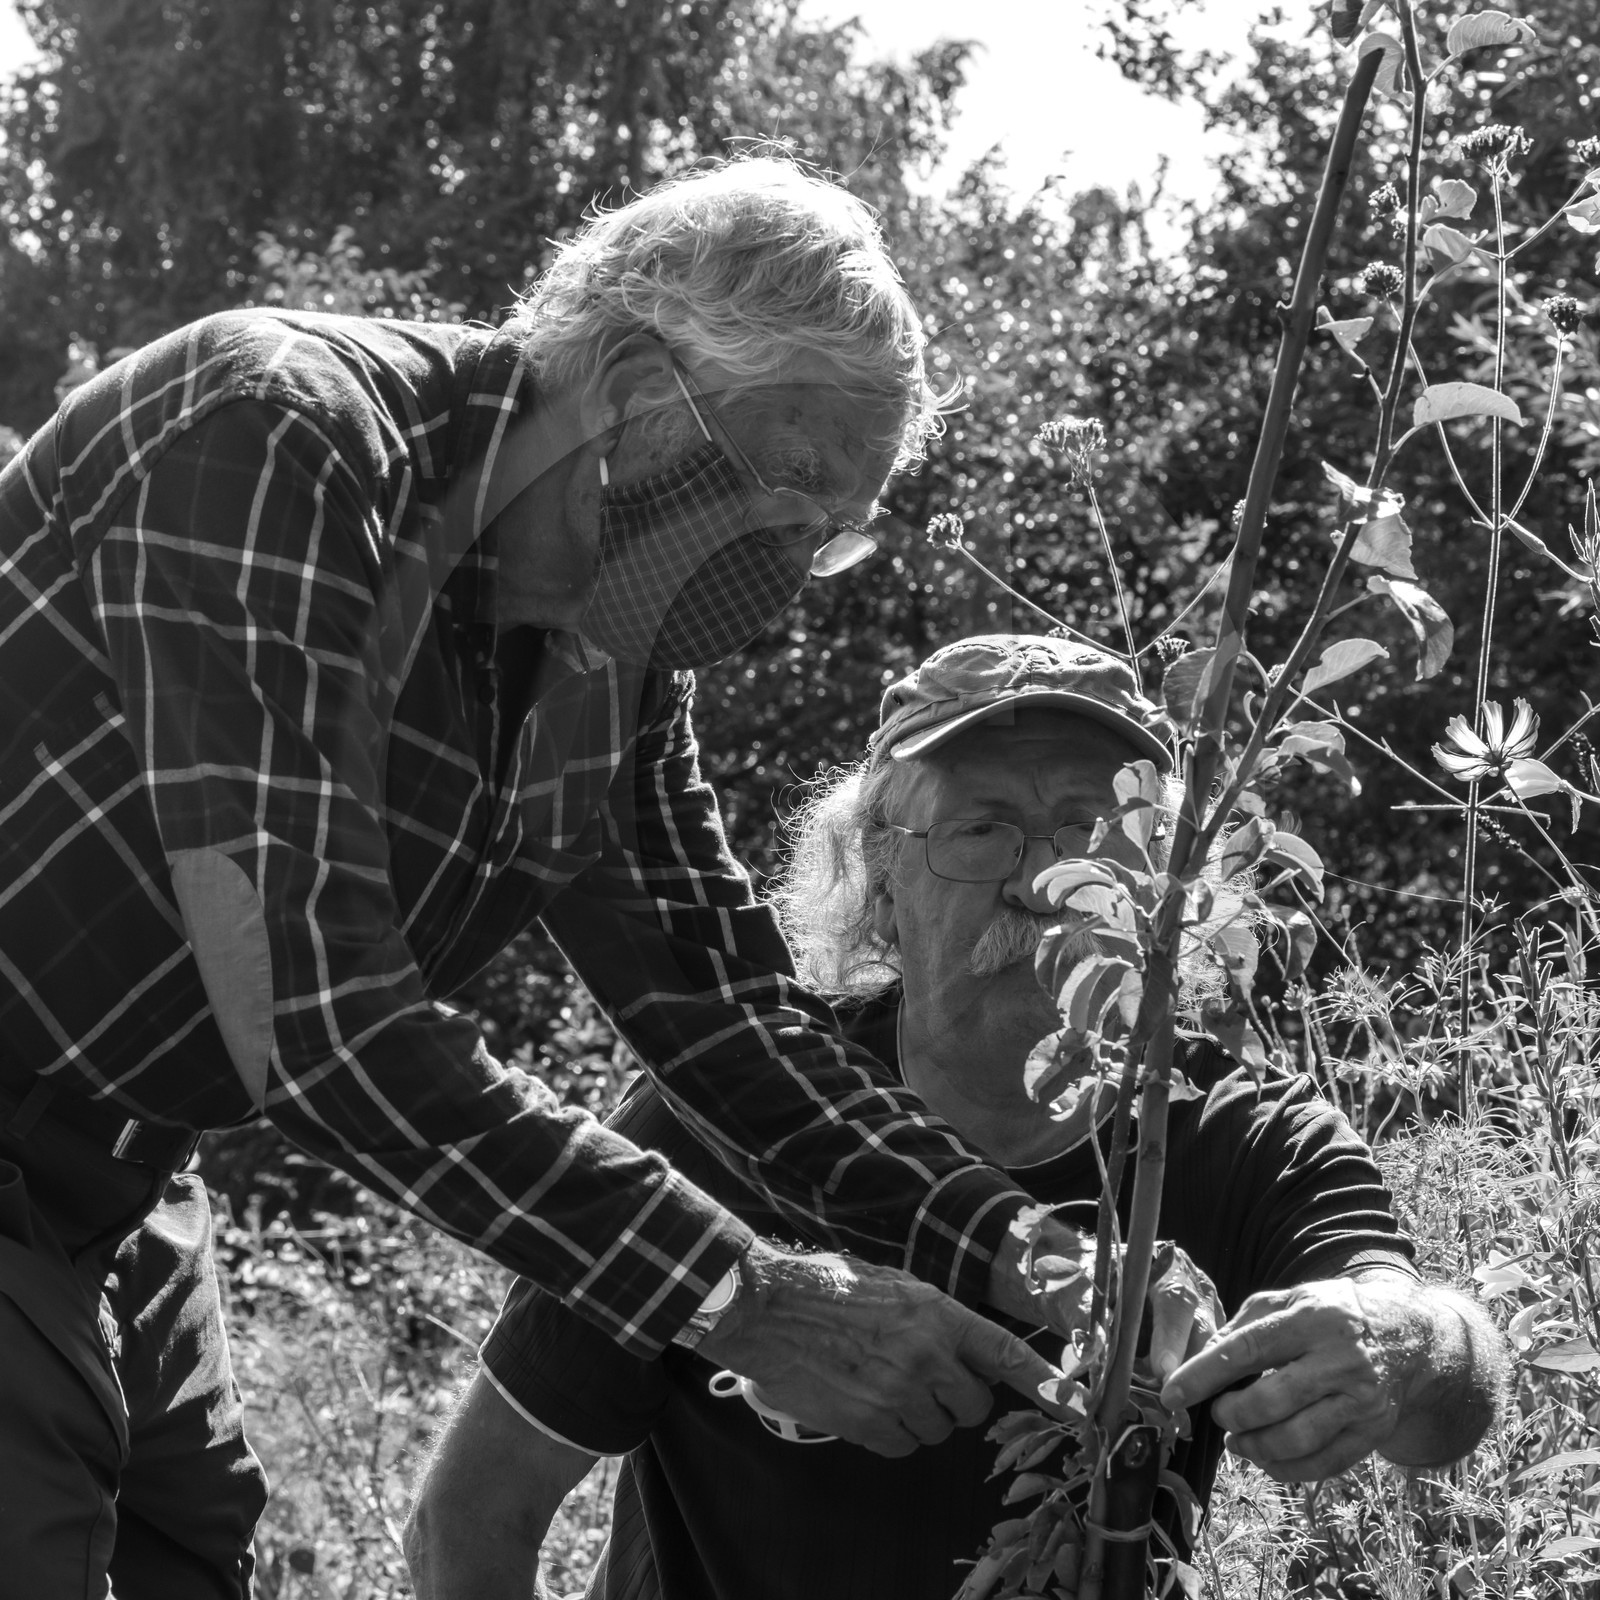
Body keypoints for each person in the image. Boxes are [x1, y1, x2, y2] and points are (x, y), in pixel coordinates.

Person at [0, 160, 1096, 1598]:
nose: (790, 563)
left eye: (833, 528)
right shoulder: (277, 437)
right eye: (789, 487)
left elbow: (725, 1015)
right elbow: (306, 1004)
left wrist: (1014, 1242)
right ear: (636, 384)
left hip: (125, 1170)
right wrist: (741, 1297)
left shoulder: (601, 651)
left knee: (186, 1552)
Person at [404, 633, 1508, 1600]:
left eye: (1091, 828)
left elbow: (1443, 1408)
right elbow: (475, 1516)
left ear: (1163, 883)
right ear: (881, 870)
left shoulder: (1232, 1133)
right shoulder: (724, 1111)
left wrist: (1403, 1341)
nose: (1041, 878)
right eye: (982, 828)